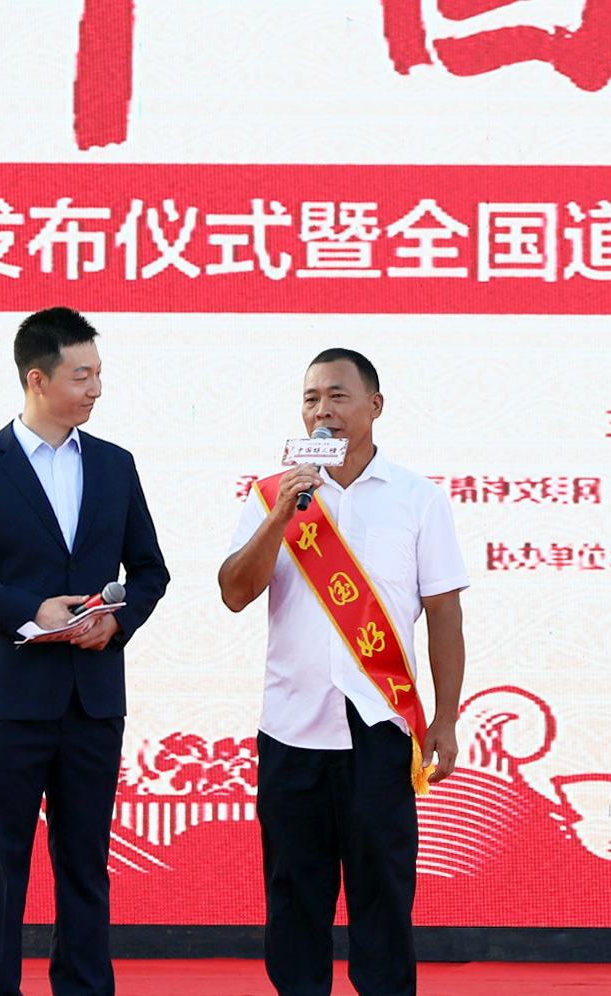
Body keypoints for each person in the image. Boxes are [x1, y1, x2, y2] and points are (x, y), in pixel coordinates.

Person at [0, 307, 170, 996]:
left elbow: (150, 572)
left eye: (98, 374)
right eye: (81, 375)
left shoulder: (115, 465)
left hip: (92, 699)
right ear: (37, 379)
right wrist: (29, 610)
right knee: (0, 866)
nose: (96, 388)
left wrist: (115, 623)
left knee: (85, 864)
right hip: (10, 701)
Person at [218, 348, 468, 996]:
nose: (322, 410)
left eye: (337, 396)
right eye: (310, 399)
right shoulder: (274, 495)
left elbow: (444, 617)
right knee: (294, 897)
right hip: (291, 730)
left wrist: (445, 718)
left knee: (382, 893)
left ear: (374, 406)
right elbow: (234, 592)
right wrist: (281, 514)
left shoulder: (418, 499)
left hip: (379, 730)